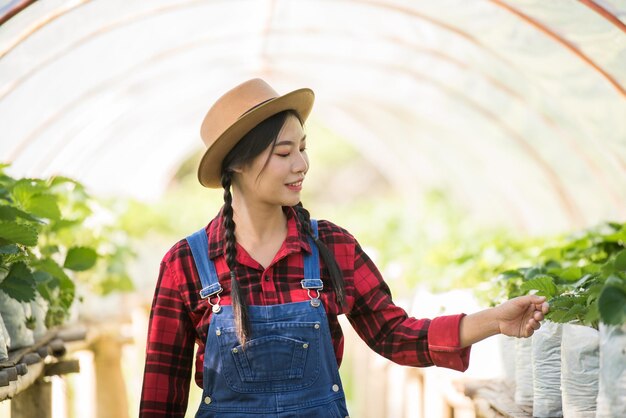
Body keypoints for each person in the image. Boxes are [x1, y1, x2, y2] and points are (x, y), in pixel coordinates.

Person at [139, 78, 549, 418]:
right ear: (236, 165)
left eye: (303, 148)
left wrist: (493, 321)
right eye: (284, 152)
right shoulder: (187, 265)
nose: (301, 164)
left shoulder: (331, 246)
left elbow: (395, 334)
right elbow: (162, 396)